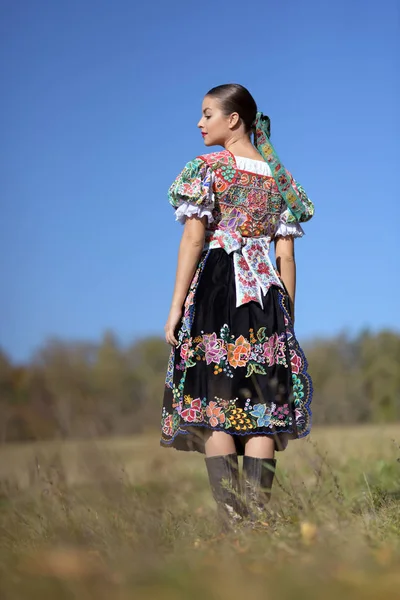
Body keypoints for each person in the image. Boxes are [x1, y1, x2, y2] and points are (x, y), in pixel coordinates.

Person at [160, 83, 314, 528]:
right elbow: (285, 256)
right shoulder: (279, 181)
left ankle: (231, 523)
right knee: (264, 414)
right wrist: (287, 317)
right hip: (267, 297)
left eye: (207, 113)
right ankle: (256, 523)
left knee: (216, 412)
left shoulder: (207, 169)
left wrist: (174, 308)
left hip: (217, 291)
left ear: (234, 120)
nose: (199, 122)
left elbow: (193, 238)